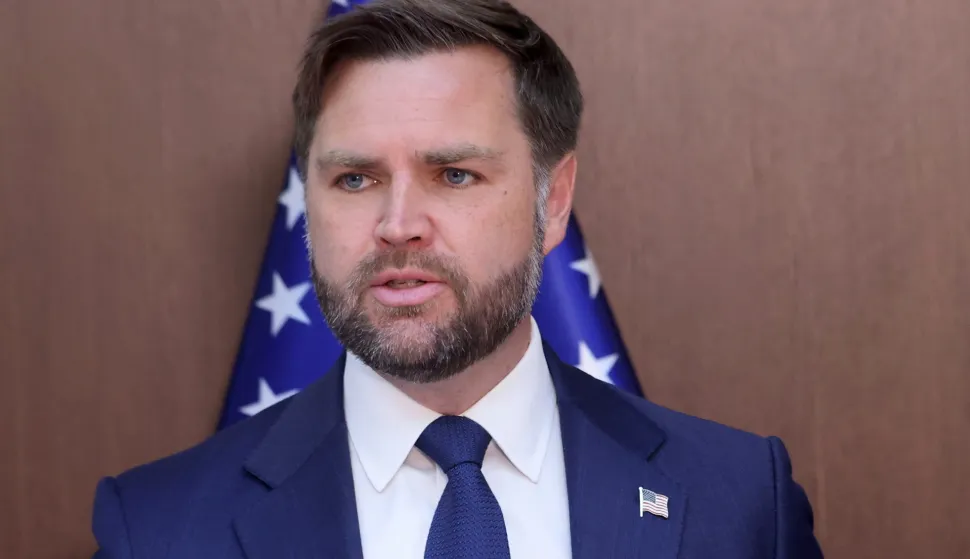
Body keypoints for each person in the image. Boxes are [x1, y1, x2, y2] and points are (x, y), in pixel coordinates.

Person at [90, 0, 823, 557]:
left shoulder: (740, 502)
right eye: (355, 178)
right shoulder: (156, 529)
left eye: (454, 174)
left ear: (553, 200)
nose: (398, 223)